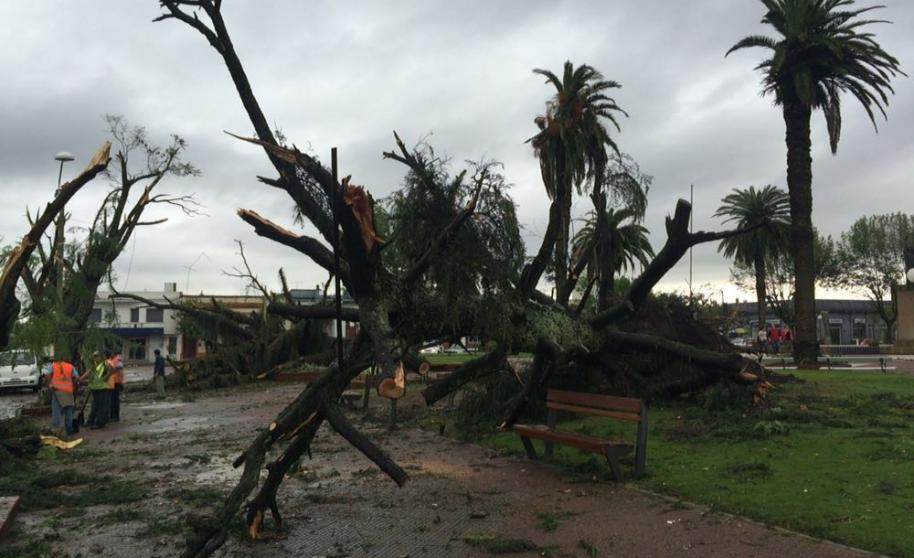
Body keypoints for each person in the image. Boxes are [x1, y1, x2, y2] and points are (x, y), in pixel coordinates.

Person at [44, 358, 79, 436]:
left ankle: (57, 428)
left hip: (57, 390)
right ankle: (69, 430)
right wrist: (73, 385)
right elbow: (76, 378)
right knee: (69, 410)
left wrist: (50, 385)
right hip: (68, 391)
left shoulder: (53, 366)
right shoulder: (70, 366)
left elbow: (47, 375)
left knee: (56, 410)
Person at [82, 351, 113, 430]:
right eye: (94, 356)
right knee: (95, 405)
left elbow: (112, 370)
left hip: (102, 388)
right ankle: (92, 421)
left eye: (97, 356)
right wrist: (80, 379)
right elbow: (88, 373)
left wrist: (106, 377)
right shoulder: (95, 365)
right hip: (94, 387)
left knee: (101, 406)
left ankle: (99, 423)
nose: (95, 358)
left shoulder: (105, 363)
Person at [109, 351, 125, 422]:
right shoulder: (114, 360)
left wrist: (111, 371)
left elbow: (119, 367)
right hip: (114, 382)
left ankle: (115, 416)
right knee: (113, 400)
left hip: (116, 382)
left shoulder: (117, 359)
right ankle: (113, 415)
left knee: (114, 400)